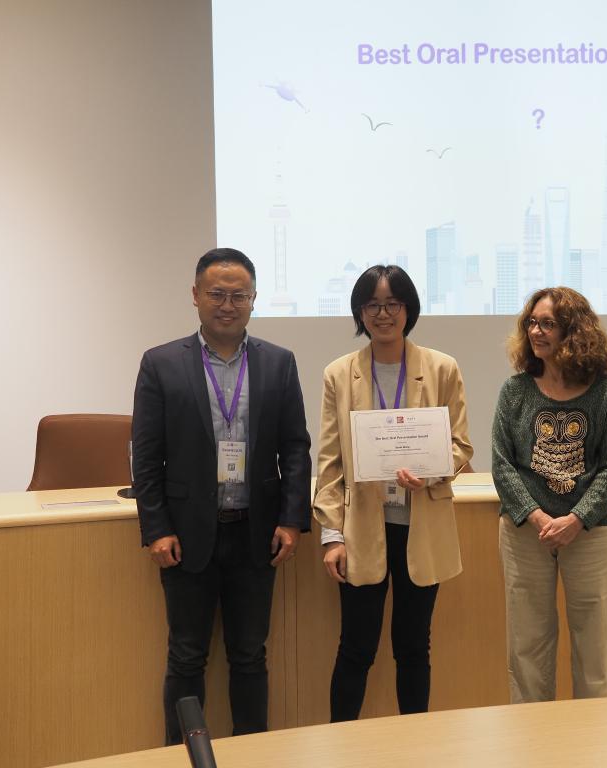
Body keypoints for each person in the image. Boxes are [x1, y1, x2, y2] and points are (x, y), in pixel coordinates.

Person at [132, 247, 311, 743]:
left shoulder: (279, 363)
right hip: (186, 536)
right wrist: (156, 528)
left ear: (254, 299)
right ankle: (181, 755)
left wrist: (292, 519)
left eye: (238, 295)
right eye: (216, 294)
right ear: (195, 296)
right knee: (186, 656)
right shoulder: (161, 363)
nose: (227, 305)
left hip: (256, 532)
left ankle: (253, 752)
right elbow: (146, 456)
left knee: (250, 655)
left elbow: (296, 447)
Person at [313, 264, 473, 722]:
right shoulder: (339, 374)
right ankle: (341, 742)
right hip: (363, 528)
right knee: (356, 648)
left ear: (409, 309)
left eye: (393, 304)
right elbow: (329, 461)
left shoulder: (442, 368)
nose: (383, 314)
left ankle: (416, 744)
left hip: (421, 527)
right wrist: (331, 537)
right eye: (373, 305)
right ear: (360, 312)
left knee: (414, 647)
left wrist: (432, 472)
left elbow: (461, 446)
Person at [491, 286, 607, 703]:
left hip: (591, 533)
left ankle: (593, 739)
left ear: (574, 331)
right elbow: (502, 465)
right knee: (526, 651)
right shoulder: (515, 391)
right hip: (525, 533)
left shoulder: (605, 392)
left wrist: (576, 519)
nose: (536, 331)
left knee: (594, 656)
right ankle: (532, 739)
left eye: (547, 323)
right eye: (531, 322)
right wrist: (537, 517)